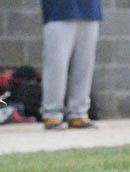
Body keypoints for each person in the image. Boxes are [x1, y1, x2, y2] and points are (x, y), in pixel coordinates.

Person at [40, 0, 102, 130]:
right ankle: (52, 113)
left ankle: (78, 113)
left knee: (84, 65)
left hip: (89, 9)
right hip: (59, 11)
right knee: (56, 66)